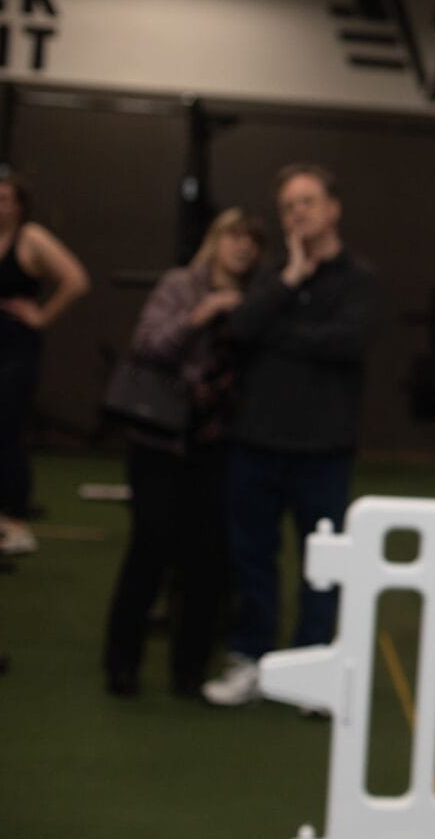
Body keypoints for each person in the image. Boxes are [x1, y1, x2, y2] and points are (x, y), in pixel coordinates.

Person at [201, 164, 380, 707]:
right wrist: (290, 281)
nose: (297, 213)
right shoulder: (270, 276)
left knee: (321, 565)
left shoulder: (360, 280)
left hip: (323, 450)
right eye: (287, 206)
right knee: (252, 558)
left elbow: (347, 343)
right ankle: (251, 660)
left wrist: (279, 332)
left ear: (333, 209)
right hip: (254, 443)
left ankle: (312, 673)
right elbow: (240, 329)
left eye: (307, 201)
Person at [103, 208, 265, 697]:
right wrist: (203, 313)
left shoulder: (259, 298)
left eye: (253, 241)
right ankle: (122, 663)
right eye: (234, 236)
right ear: (216, 240)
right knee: (150, 546)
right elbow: (147, 344)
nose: (242, 246)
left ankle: (189, 669)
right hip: (161, 439)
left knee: (207, 558)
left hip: (218, 445)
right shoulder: (181, 285)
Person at [0, 175, 90, 555]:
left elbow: (76, 280)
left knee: (3, 426)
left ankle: (16, 518)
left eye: (3, 199)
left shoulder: (32, 238)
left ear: (19, 206)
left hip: (13, 346)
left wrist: (42, 317)